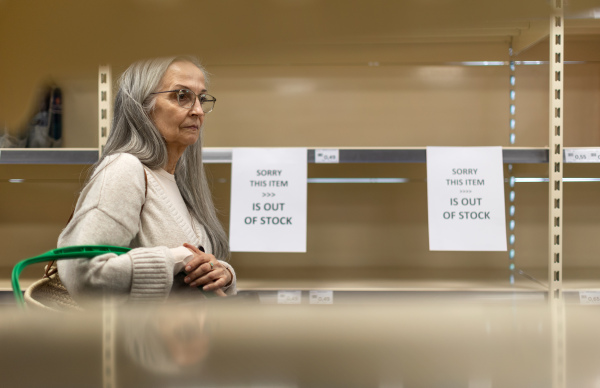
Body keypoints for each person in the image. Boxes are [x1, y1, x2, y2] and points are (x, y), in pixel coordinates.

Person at [56, 56, 235, 304]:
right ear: (142, 106)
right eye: (182, 96)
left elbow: (190, 268)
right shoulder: (125, 169)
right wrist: (177, 258)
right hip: (139, 341)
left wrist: (223, 273)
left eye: (201, 98)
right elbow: (81, 273)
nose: (197, 110)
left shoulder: (179, 182)